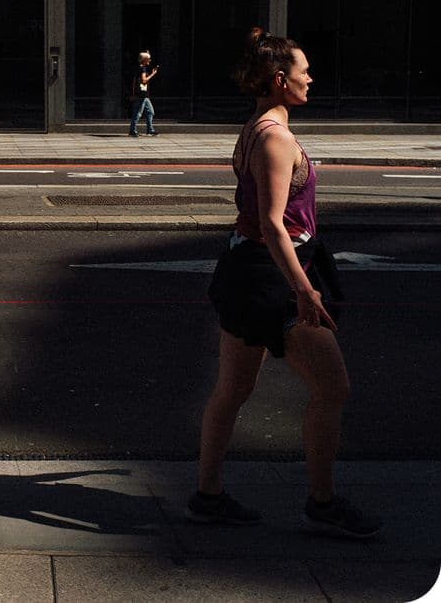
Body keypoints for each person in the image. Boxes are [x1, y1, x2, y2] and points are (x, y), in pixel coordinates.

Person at [187, 27, 381, 539]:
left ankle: (207, 496)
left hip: (247, 271)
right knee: (333, 387)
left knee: (232, 389)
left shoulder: (256, 125)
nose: (310, 78)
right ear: (280, 80)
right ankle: (321, 503)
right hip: (273, 277)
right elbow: (274, 222)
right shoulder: (273, 138)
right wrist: (304, 289)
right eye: (303, 71)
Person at [129, 50, 159, 137]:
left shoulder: (140, 68)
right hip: (141, 95)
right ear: (145, 59)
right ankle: (132, 130)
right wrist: (153, 74)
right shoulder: (142, 68)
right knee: (138, 113)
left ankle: (150, 130)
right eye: (148, 59)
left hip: (144, 95)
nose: (150, 60)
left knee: (150, 112)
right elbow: (144, 80)